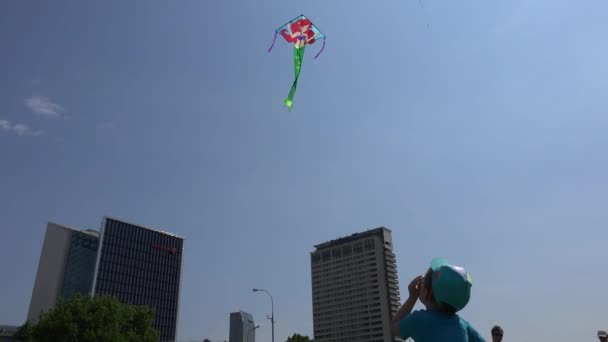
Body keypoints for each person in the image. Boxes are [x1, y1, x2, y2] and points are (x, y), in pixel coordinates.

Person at [391, 258, 485, 341]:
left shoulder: (419, 319)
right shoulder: (463, 325)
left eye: (423, 283)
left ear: (426, 292)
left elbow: (393, 327)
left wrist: (412, 297)